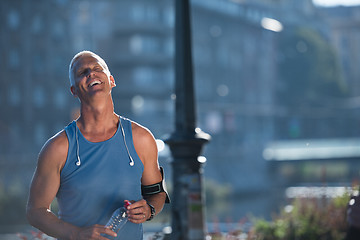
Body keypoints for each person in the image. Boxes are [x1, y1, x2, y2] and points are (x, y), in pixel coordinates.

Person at [26, 50, 169, 240]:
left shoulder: (141, 138)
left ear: (111, 80)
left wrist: (149, 209)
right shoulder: (58, 148)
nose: (90, 74)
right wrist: (77, 234)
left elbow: (157, 194)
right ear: (74, 90)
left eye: (96, 68)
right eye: (82, 72)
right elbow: (35, 211)